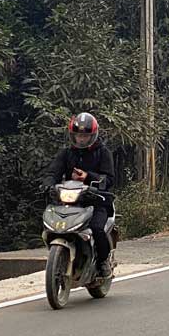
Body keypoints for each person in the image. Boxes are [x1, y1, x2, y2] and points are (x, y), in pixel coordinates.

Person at [40, 112, 116, 276]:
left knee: (97, 228)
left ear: (92, 135)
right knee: (52, 223)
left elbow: (108, 179)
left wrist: (88, 177)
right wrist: (48, 185)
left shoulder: (103, 153)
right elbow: (52, 172)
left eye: (85, 135)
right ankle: (60, 256)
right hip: (70, 201)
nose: (81, 139)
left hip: (96, 200)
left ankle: (103, 261)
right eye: (78, 135)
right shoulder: (66, 153)